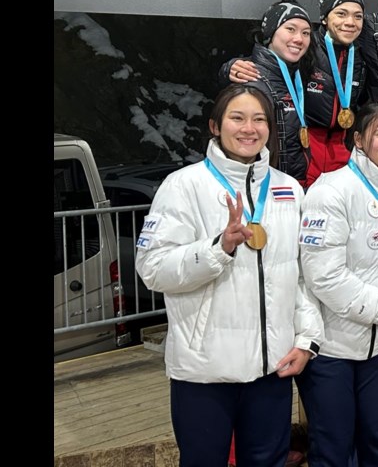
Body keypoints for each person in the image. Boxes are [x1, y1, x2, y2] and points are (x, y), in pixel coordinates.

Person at [135, 84, 323, 467]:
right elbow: (152, 269)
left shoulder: (288, 190)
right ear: (215, 126)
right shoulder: (183, 186)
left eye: (259, 120)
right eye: (237, 118)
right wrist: (217, 248)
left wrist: (306, 342)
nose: (249, 128)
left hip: (272, 369)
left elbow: (302, 278)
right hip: (204, 372)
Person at [297, 101, 378, 467]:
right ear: (359, 140)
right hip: (332, 351)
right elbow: (324, 275)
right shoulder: (331, 190)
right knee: (333, 449)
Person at [224, 0, 368, 187]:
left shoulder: (362, 54)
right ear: (325, 18)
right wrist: (228, 67)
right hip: (308, 145)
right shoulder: (309, 49)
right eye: (341, 14)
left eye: (358, 16)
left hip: (340, 146)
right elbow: (270, 64)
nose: (350, 22)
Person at [219, 0, 315, 185]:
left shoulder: (296, 74)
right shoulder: (251, 77)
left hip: (292, 184)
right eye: (290, 29)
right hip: (262, 188)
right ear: (270, 33)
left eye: (306, 33)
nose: (299, 39)